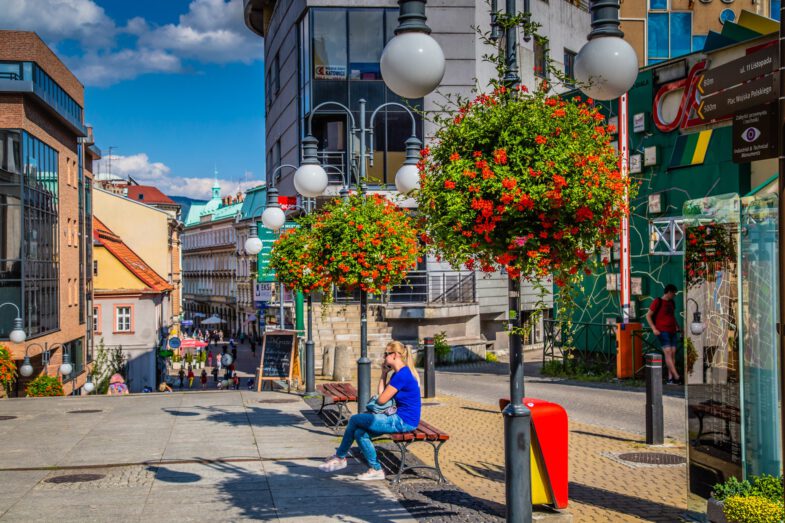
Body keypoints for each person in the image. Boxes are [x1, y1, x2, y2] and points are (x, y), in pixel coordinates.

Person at [319, 341, 421, 481]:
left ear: (396, 355)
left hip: (403, 421)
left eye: (386, 354)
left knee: (355, 419)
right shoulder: (398, 374)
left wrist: (382, 395)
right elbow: (382, 395)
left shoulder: (402, 375)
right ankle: (376, 469)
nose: (384, 357)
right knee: (360, 433)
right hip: (398, 417)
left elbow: (381, 401)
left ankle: (340, 457)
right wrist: (383, 374)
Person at [646, 283, 681, 384]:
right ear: (669, 292)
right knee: (668, 352)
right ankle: (676, 376)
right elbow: (648, 315)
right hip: (662, 331)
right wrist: (654, 328)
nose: (674, 296)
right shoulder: (658, 301)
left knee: (673, 352)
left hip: (672, 331)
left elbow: (672, 316)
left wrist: (678, 326)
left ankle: (671, 378)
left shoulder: (672, 303)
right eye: (674, 294)